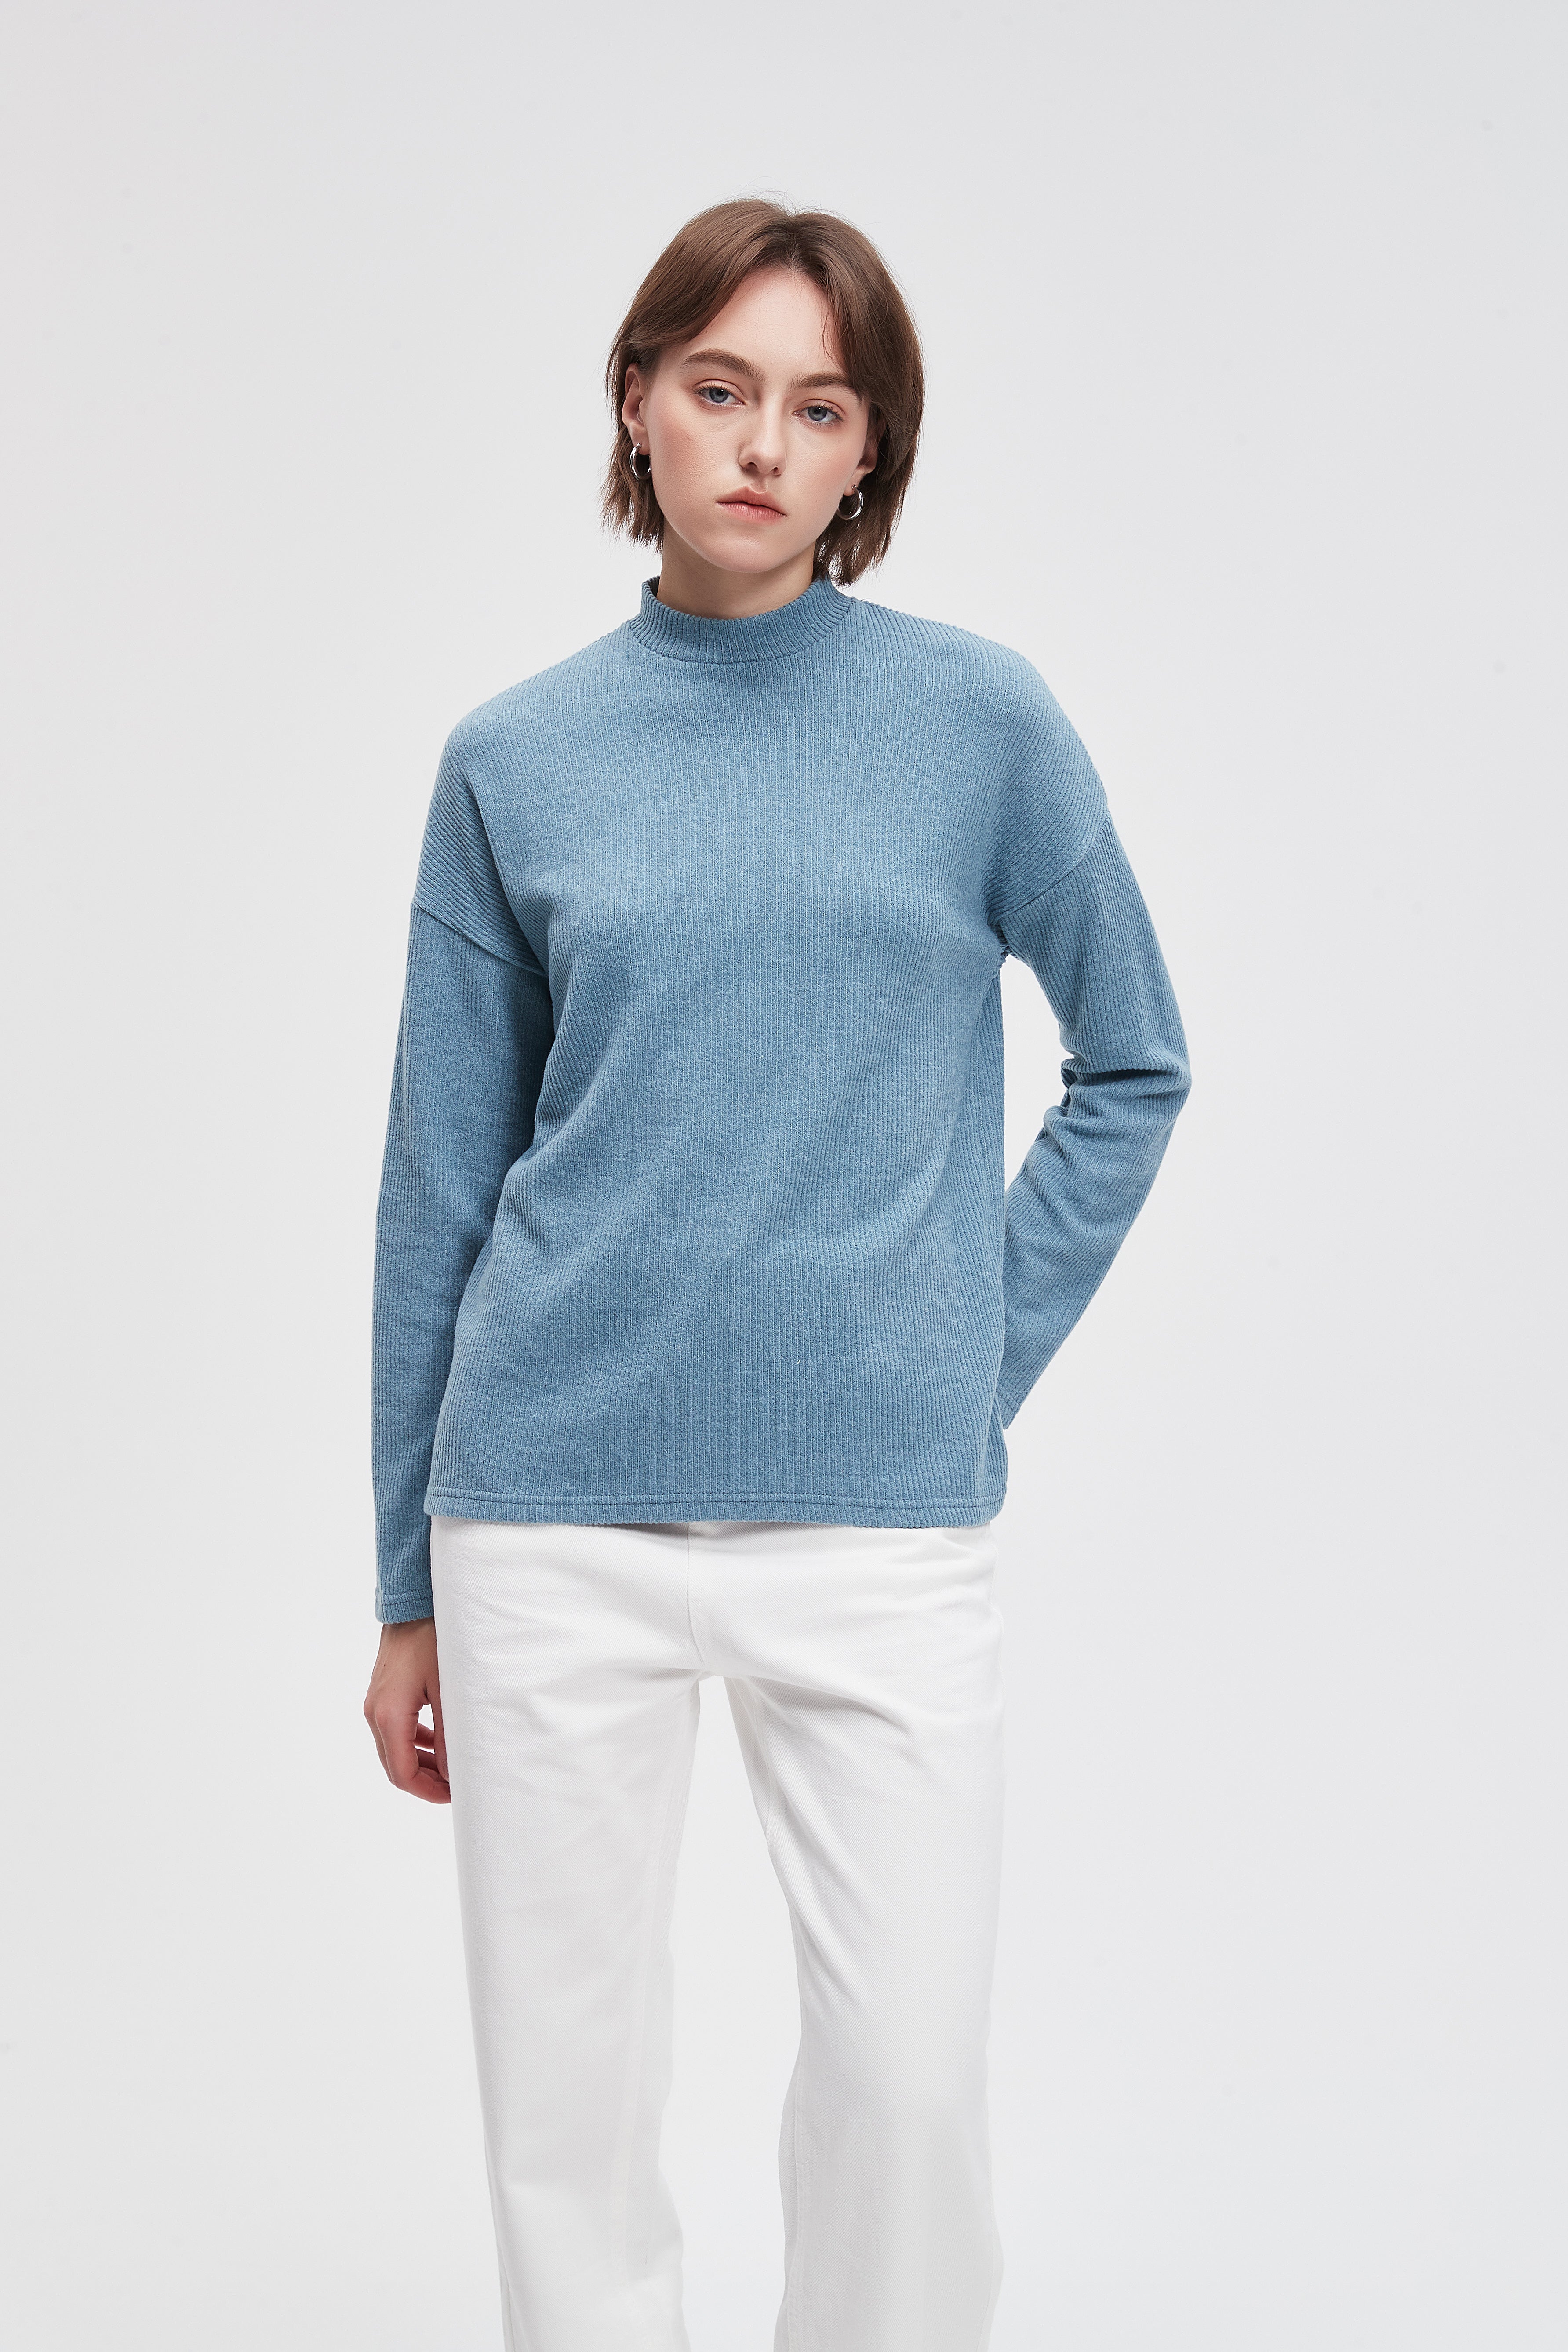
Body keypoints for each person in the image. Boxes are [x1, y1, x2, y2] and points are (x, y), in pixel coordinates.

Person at [363, 196, 1190, 2352]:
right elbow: (439, 1187)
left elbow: (1135, 1062)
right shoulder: (514, 759)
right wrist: (402, 1583)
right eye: (719, 388)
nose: (760, 445)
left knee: (907, 2099)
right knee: (564, 2127)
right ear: (637, 401)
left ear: (867, 453)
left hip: (877, 1523)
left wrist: (966, 1350)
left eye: (819, 408)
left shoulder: (979, 724)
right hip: (548, 1513)